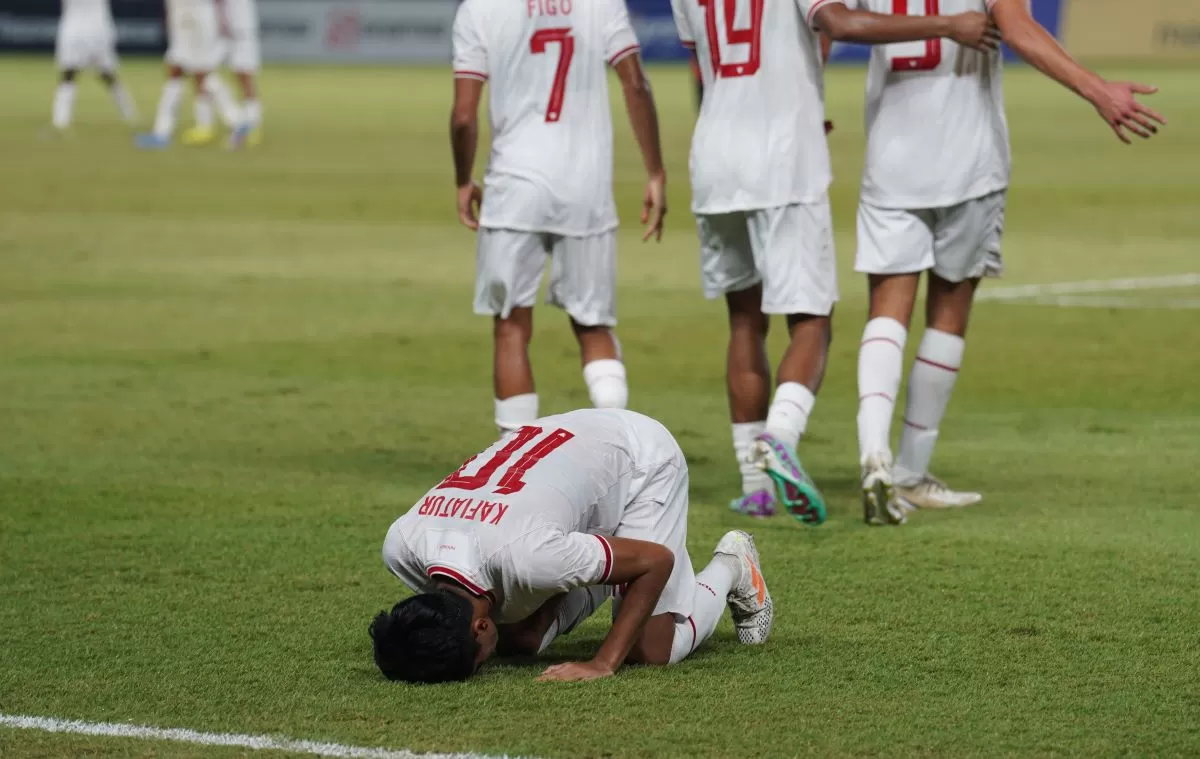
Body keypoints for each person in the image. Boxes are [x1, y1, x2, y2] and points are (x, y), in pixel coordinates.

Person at [669, 0, 997, 522]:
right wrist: (947, 24)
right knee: (812, 321)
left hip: (714, 159)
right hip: (784, 163)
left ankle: (756, 489)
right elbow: (840, 22)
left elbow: (699, 69)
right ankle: (780, 436)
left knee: (744, 321)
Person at [851, 0, 1166, 525]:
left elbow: (832, 20)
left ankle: (872, 454)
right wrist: (1098, 90)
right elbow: (1018, 28)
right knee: (949, 310)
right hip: (969, 159)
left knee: (887, 309)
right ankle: (910, 471)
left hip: (892, 155)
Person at [371, 409, 773, 683]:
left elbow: (656, 561)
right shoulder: (401, 545)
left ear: (480, 626)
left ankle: (732, 565)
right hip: (565, 447)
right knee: (522, 640)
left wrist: (603, 663)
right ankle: (608, 558)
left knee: (651, 648)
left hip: (639, 458)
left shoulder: (528, 557)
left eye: (479, 662)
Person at [449, 0, 667, 435]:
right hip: (585, 186)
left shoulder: (479, 8)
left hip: (514, 187)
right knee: (594, 326)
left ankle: (516, 470)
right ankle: (614, 456)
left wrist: (462, 179)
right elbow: (636, 84)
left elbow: (463, 116)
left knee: (511, 327)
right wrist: (655, 171)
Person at [136, 0, 249, 149]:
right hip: (186, 16)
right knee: (179, 71)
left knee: (198, 73)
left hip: (192, 17)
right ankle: (162, 131)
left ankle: (236, 119)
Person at [182, 0, 262, 148]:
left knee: (245, 79)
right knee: (201, 74)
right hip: (218, 32)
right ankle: (210, 125)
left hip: (242, 31)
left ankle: (250, 126)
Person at [51, 0, 138, 132]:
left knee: (105, 73)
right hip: (78, 28)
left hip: (96, 28)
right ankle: (61, 120)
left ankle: (129, 113)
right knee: (70, 72)